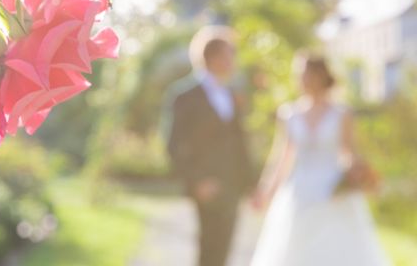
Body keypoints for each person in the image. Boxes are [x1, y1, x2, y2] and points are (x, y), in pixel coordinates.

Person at [250, 54, 390, 266]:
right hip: (300, 190)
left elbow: (348, 151)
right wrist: (266, 190)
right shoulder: (289, 113)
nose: (302, 78)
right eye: (299, 74)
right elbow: (282, 157)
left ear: (321, 75)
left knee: (337, 248)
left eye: (306, 73)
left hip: (333, 191)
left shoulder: (342, 113)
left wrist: (358, 172)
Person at [167, 26, 254, 266]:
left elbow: (240, 141)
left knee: (225, 247)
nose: (233, 60)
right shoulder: (185, 97)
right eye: (229, 54)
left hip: (233, 183)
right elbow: (174, 144)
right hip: (206, 185)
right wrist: (197, 181)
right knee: (209, 248)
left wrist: (251, 181)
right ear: (212, 57)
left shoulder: (232, 94)